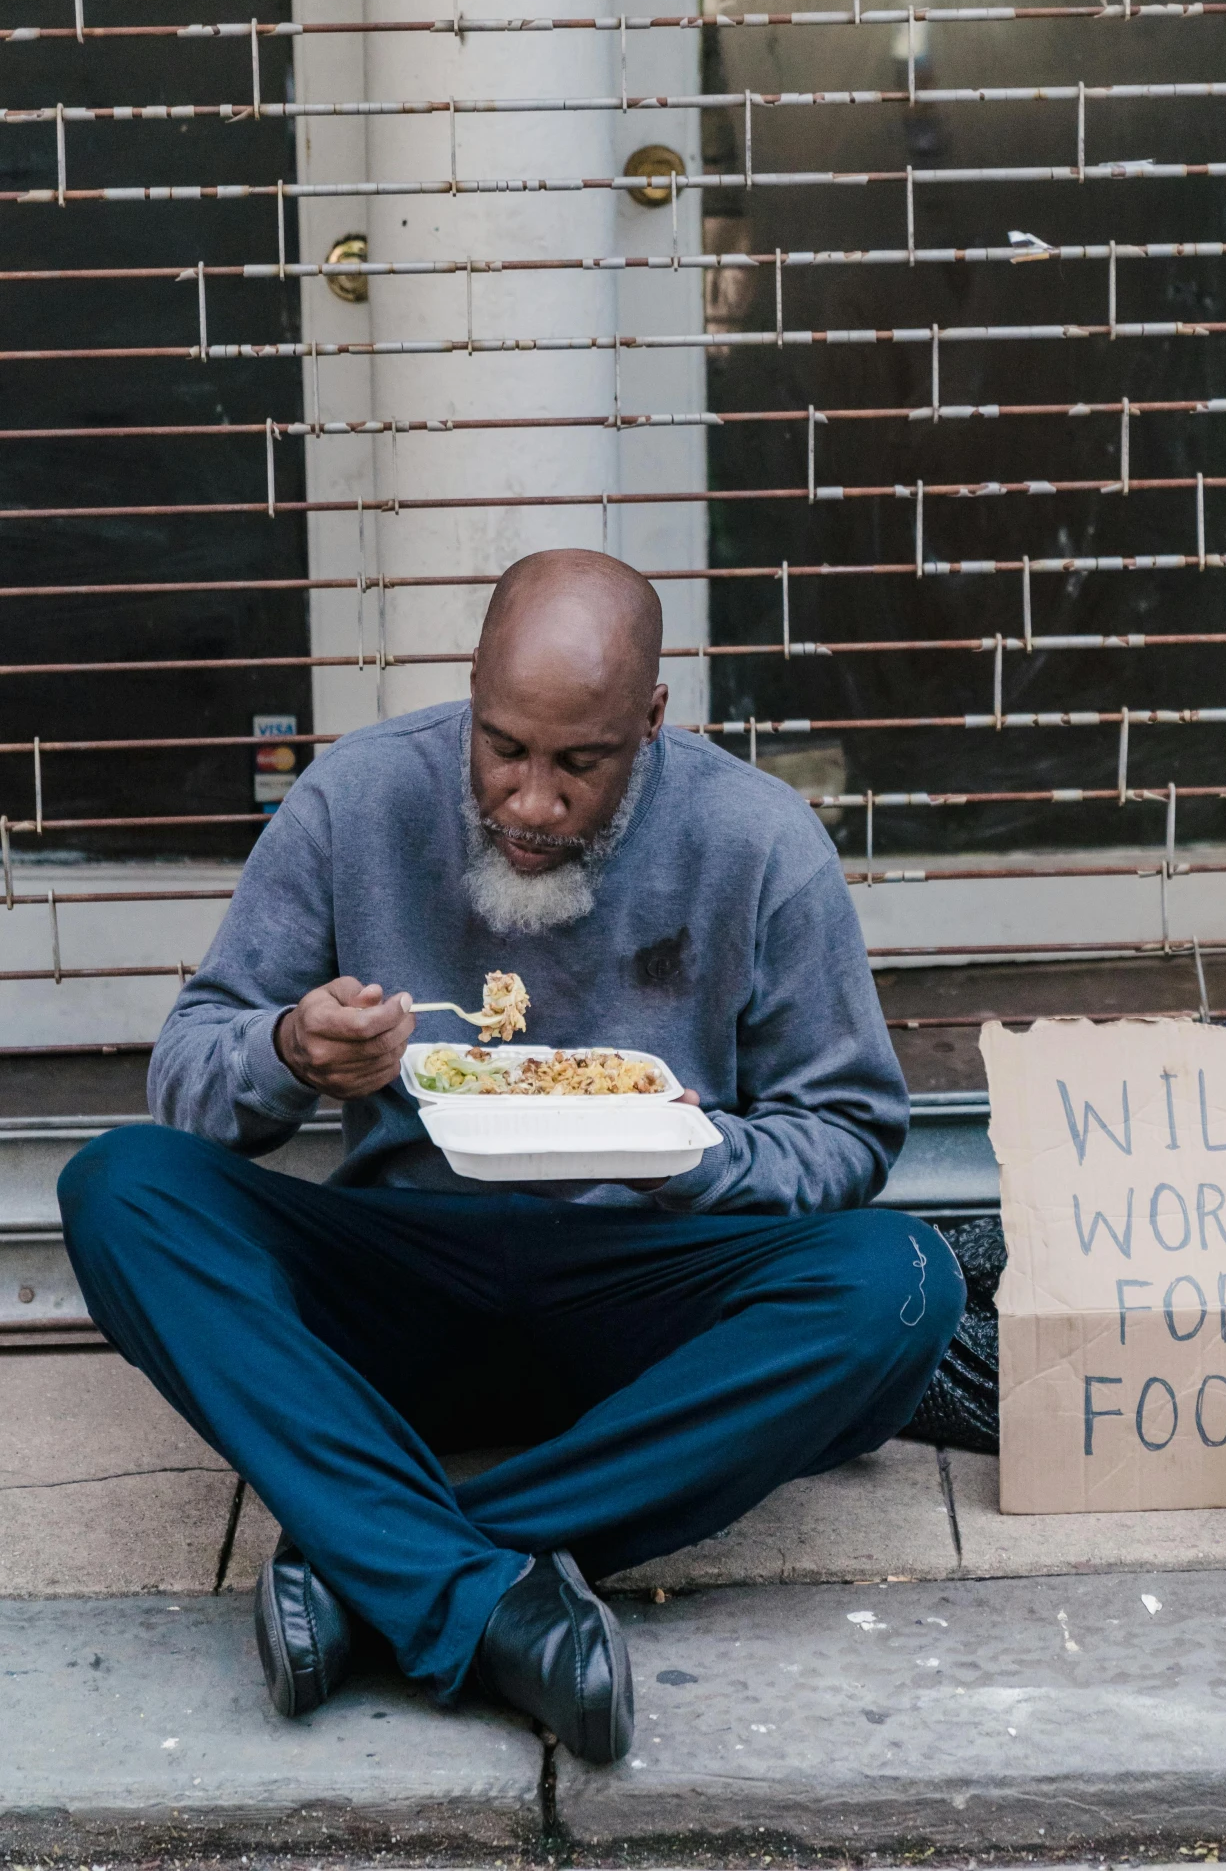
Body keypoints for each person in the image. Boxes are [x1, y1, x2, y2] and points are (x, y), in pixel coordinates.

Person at [59, 549, 964, 1766]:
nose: (530, 804)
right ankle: (485, 1597)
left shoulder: (757, 839)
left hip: (645, 1288)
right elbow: (189, 1070)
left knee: (901, 1281)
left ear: (650, 718)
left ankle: (375, 1567)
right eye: (504, 749)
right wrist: (288, 1052)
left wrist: (694, 1157)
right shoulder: (358, 798)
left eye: (578, 765)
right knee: (119, 1188)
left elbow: (849, 1129)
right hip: (402, 1275)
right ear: (471, 687)